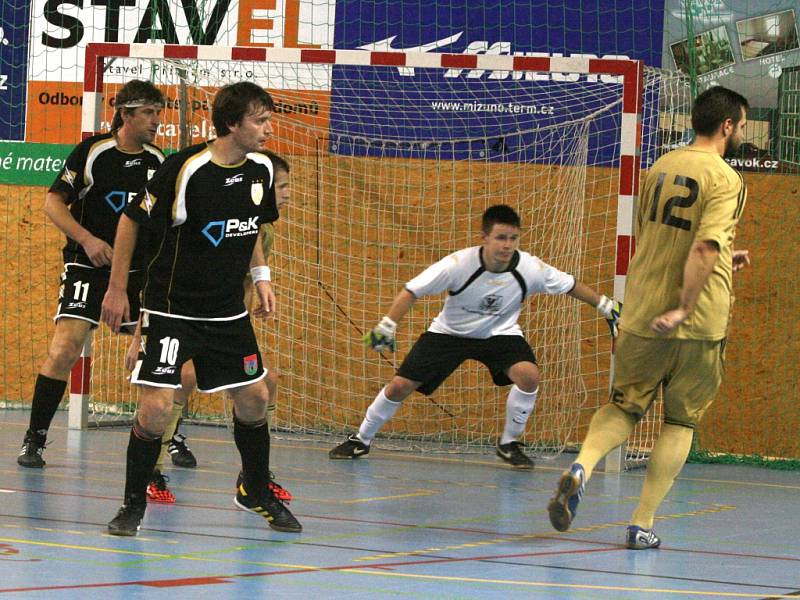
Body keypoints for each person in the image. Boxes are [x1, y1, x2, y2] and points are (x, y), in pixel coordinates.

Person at [547, 86, 750, 550]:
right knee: (680, 422)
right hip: (697, 320)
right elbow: (701, 246)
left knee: (623, 407)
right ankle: (642, 522)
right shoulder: (726, 177)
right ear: (726, 126)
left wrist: (723, 256)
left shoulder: (659, 167)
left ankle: (583, 464)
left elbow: (664, 240)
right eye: (740, 125)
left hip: (640, 311)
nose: (740, 133)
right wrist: (684, 305)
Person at [100, 81, 301, 536]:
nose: (268, 130)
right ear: (232, 124)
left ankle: (255, 490)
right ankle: (133, 504)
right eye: (260, 121)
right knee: (155, 409)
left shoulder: (263, 171)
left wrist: (262, 277)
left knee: (254, 399)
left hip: (227, 313)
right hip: (172, 310)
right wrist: (117, 291)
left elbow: (249, 229)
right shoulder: (184, 169)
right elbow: (130, 220)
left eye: (269, 120)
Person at [329, 204, 620, 469]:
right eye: (501, 238)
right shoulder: (458, 265)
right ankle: (361, 439)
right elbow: (412, 290)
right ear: (485, 237)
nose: (507, 245)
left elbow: (571, 285)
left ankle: (509, 443)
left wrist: (606, 307)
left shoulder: (530, 268)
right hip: (449, 334)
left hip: (499, 333)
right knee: (399, 386)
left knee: (528, 376)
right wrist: (387, 326)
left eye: (513, 238)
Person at [129, 150, 293, 505]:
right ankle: (151, 472)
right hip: (178, 313)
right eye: (280, 186)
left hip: (222, 319)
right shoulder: (195, 189)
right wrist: (139, 332)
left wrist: (258, 290)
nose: (285, 193)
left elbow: (243, 284)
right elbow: (153, 256)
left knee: (264, 385)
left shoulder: (259, 234)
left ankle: (254, 478)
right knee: (175, 387)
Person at [16, 80, 165, 468]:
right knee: (65, 347)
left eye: (159, 112)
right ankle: (35, 438)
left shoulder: (158, 162)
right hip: (88, 264)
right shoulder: (93, 152)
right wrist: (88, 240)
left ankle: (169, 440)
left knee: (163, 358)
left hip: (135, 273)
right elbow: (52, 203)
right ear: (126, 114)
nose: (156, 121)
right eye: (148, 112)